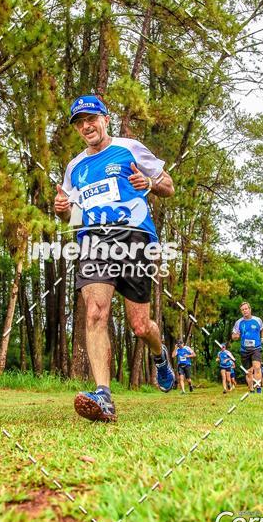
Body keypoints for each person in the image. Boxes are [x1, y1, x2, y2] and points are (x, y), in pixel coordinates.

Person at [55, 94, 176, 422]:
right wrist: (64, 210)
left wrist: (149, 182)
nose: (86, 126)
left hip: (134, 236)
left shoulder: (129, 148)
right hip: (93, 241)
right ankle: (104, 396)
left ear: (106, 119)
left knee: (140, 326)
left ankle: (160, 355)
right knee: (95, 313)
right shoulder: (74, 168)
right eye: (80, 123)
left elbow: (168, 186)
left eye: (91, 119)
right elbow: (72, 215)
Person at [231, 301, 263, 393]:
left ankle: (258, 388)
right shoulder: (238, 322)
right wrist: (236, 336)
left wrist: (262, 337)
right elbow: (233, 335)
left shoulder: (257, 320)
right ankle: (251, 389)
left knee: (257, 367)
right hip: (244, 350)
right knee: (249, 371)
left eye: (246, 309)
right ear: (241, 311)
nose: (245, 311)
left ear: (250, 309)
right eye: (242, 310)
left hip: (256, 348)